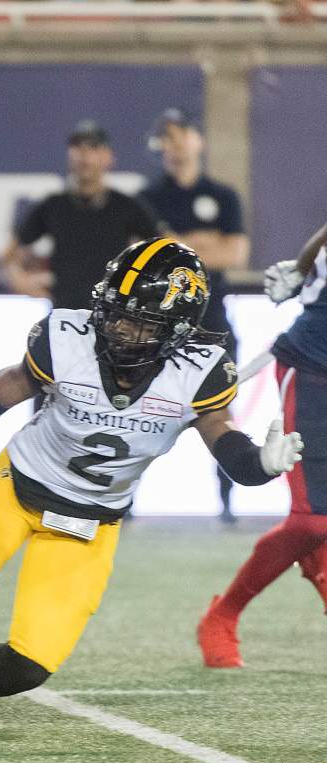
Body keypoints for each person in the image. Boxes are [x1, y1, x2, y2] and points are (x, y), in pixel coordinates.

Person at [0, 238, 301, 726]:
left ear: (176, 331)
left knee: (26, 667)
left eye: (139, 322)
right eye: (114, 313)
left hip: (90, 523)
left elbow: (226, 444)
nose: (118, 329)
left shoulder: (199, 374)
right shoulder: (68, 338)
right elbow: (5, 385)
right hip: (17, 487)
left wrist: (261, 465)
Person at [197, 224, 327, 668]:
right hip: (313, 369)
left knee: (320, 523)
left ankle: (319, 566)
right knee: (311, 521)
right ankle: (223, 614)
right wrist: (304, 265)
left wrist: (303, 268)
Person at [140, 109, 249, 524]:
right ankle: (123, 500)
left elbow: (234, 254)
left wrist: (177, 242)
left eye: (181, 133)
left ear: (198, 140)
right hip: (158, 322)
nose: (175, 143)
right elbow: (149, 256)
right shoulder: (147, 199)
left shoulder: (223, 196)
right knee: (139, 408)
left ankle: (228, 500)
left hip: (213, 320)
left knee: (219, 409)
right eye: (165, 137)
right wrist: (203, 244)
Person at [2, 121, 161, 311]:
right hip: (65, 317)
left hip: (113, 317)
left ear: (108, 157)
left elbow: (162, 251)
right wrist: (22, 282)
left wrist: (144, 292)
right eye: (77, 147)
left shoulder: (127, 207)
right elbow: (9, 256)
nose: (84, 155)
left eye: (93, 147)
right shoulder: (53, 206)